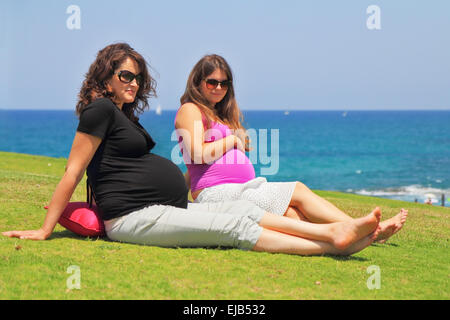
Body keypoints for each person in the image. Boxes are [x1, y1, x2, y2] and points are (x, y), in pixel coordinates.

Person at [2, 43, 382, 256]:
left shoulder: (122, 116)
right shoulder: (99, 110)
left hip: (165, 206)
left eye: (138, 77)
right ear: (106, 77)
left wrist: (182, 182)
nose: (134, 83)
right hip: (134, 218)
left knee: (245, 209)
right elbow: (73, 170)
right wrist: (44, 229)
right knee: (231, 225)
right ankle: (333, 244)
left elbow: (150, 166)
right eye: (125, 76)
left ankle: (335, 227)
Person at [175, 54, 408, 244]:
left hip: (238, 189)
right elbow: (197, 153)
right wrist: (233, 140)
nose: (219, 88)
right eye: (212, 82)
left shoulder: (219, 115)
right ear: (198, 82)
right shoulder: (191, 109)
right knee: (297, 190)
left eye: (224, 83)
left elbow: (194, 167)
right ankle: (364, 229)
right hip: (220, 193)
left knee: (293, 215)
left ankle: (359, 235)